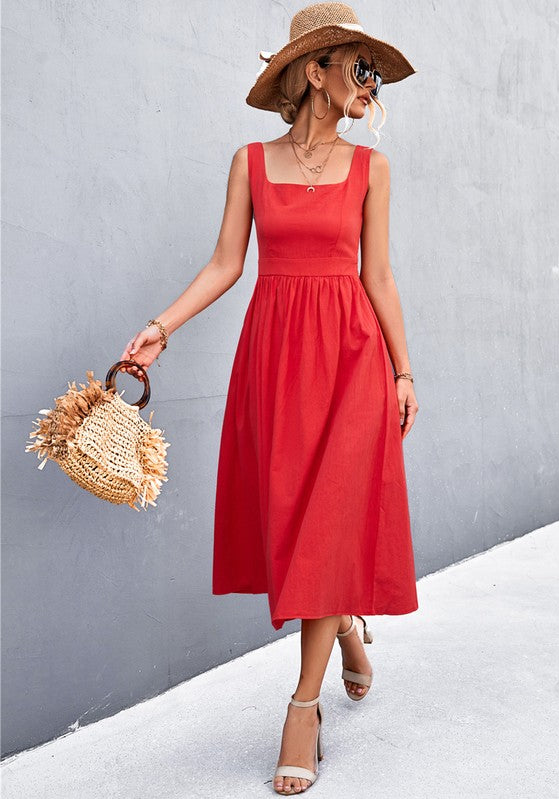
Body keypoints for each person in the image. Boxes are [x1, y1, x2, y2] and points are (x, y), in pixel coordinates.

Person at [119, 2, 420, 793]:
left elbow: (377, 276)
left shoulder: (372, 170)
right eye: (359, 67)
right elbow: (226, 263)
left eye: (374, 72)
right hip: (278, 361)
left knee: (326, 522)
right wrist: (162, 326)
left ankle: (302, 706)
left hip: (352, 356)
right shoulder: (250, 161)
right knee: (294, 520)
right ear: (314, 72)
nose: (371, 84)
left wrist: (403, 368)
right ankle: (346, 625)